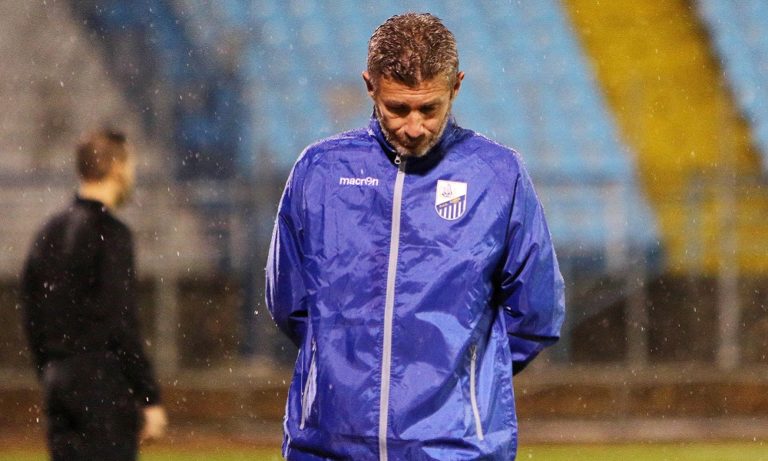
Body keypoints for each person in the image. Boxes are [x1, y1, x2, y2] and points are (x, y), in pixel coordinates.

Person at [266, 12, 565, 460]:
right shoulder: (320, 172)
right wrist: (343, 374)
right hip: (331, 445)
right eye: (397, 108)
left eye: (429, 109)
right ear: (370, 86)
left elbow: (536, 311)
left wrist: (463, 381)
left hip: (456, 449)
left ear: (456, 87)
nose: (413, 127)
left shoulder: (498, 176)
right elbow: (289, 302)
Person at [21, 129, 168, 461]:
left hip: (57, 382)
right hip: (101, 385)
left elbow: (30, 312)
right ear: (116, 168)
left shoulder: (49, 232)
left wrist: (51, 371)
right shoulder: (111, 234)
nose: (132, 174)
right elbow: (121, 321)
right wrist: (148, 395)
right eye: (130, 165)